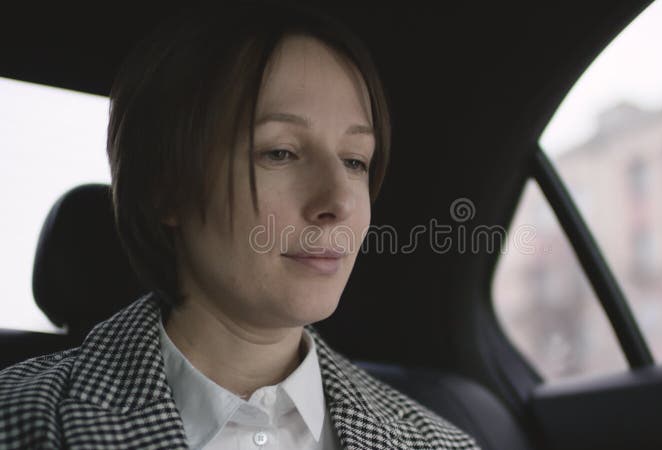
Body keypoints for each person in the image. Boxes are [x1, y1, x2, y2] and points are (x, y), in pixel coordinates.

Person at [0, 3, 480, 449]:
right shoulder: (20, 421)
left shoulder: (439, 443)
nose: (338, 201)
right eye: (280, 153)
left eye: (355, 161)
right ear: (165, 188)